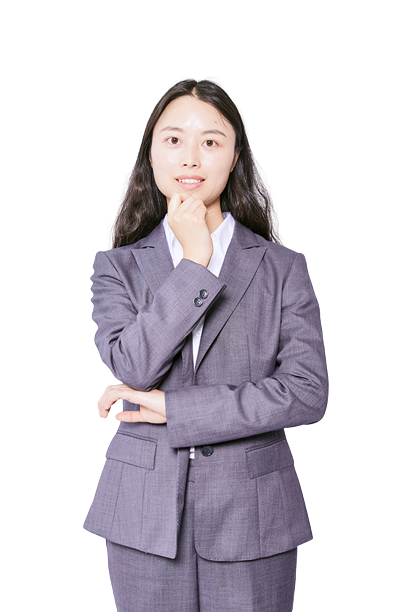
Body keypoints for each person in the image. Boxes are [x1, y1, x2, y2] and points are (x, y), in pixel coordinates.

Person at [83, 76, 329, 612]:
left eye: (211, 141)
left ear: (234, 157)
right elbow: (134, 365)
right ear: (151, 154)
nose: (190, 157)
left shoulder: (283, 268)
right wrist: (194, 263)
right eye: (173, 139)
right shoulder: (116, 267)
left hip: (254, 517)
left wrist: (176, 411)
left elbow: (307, 392)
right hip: (143, 516)